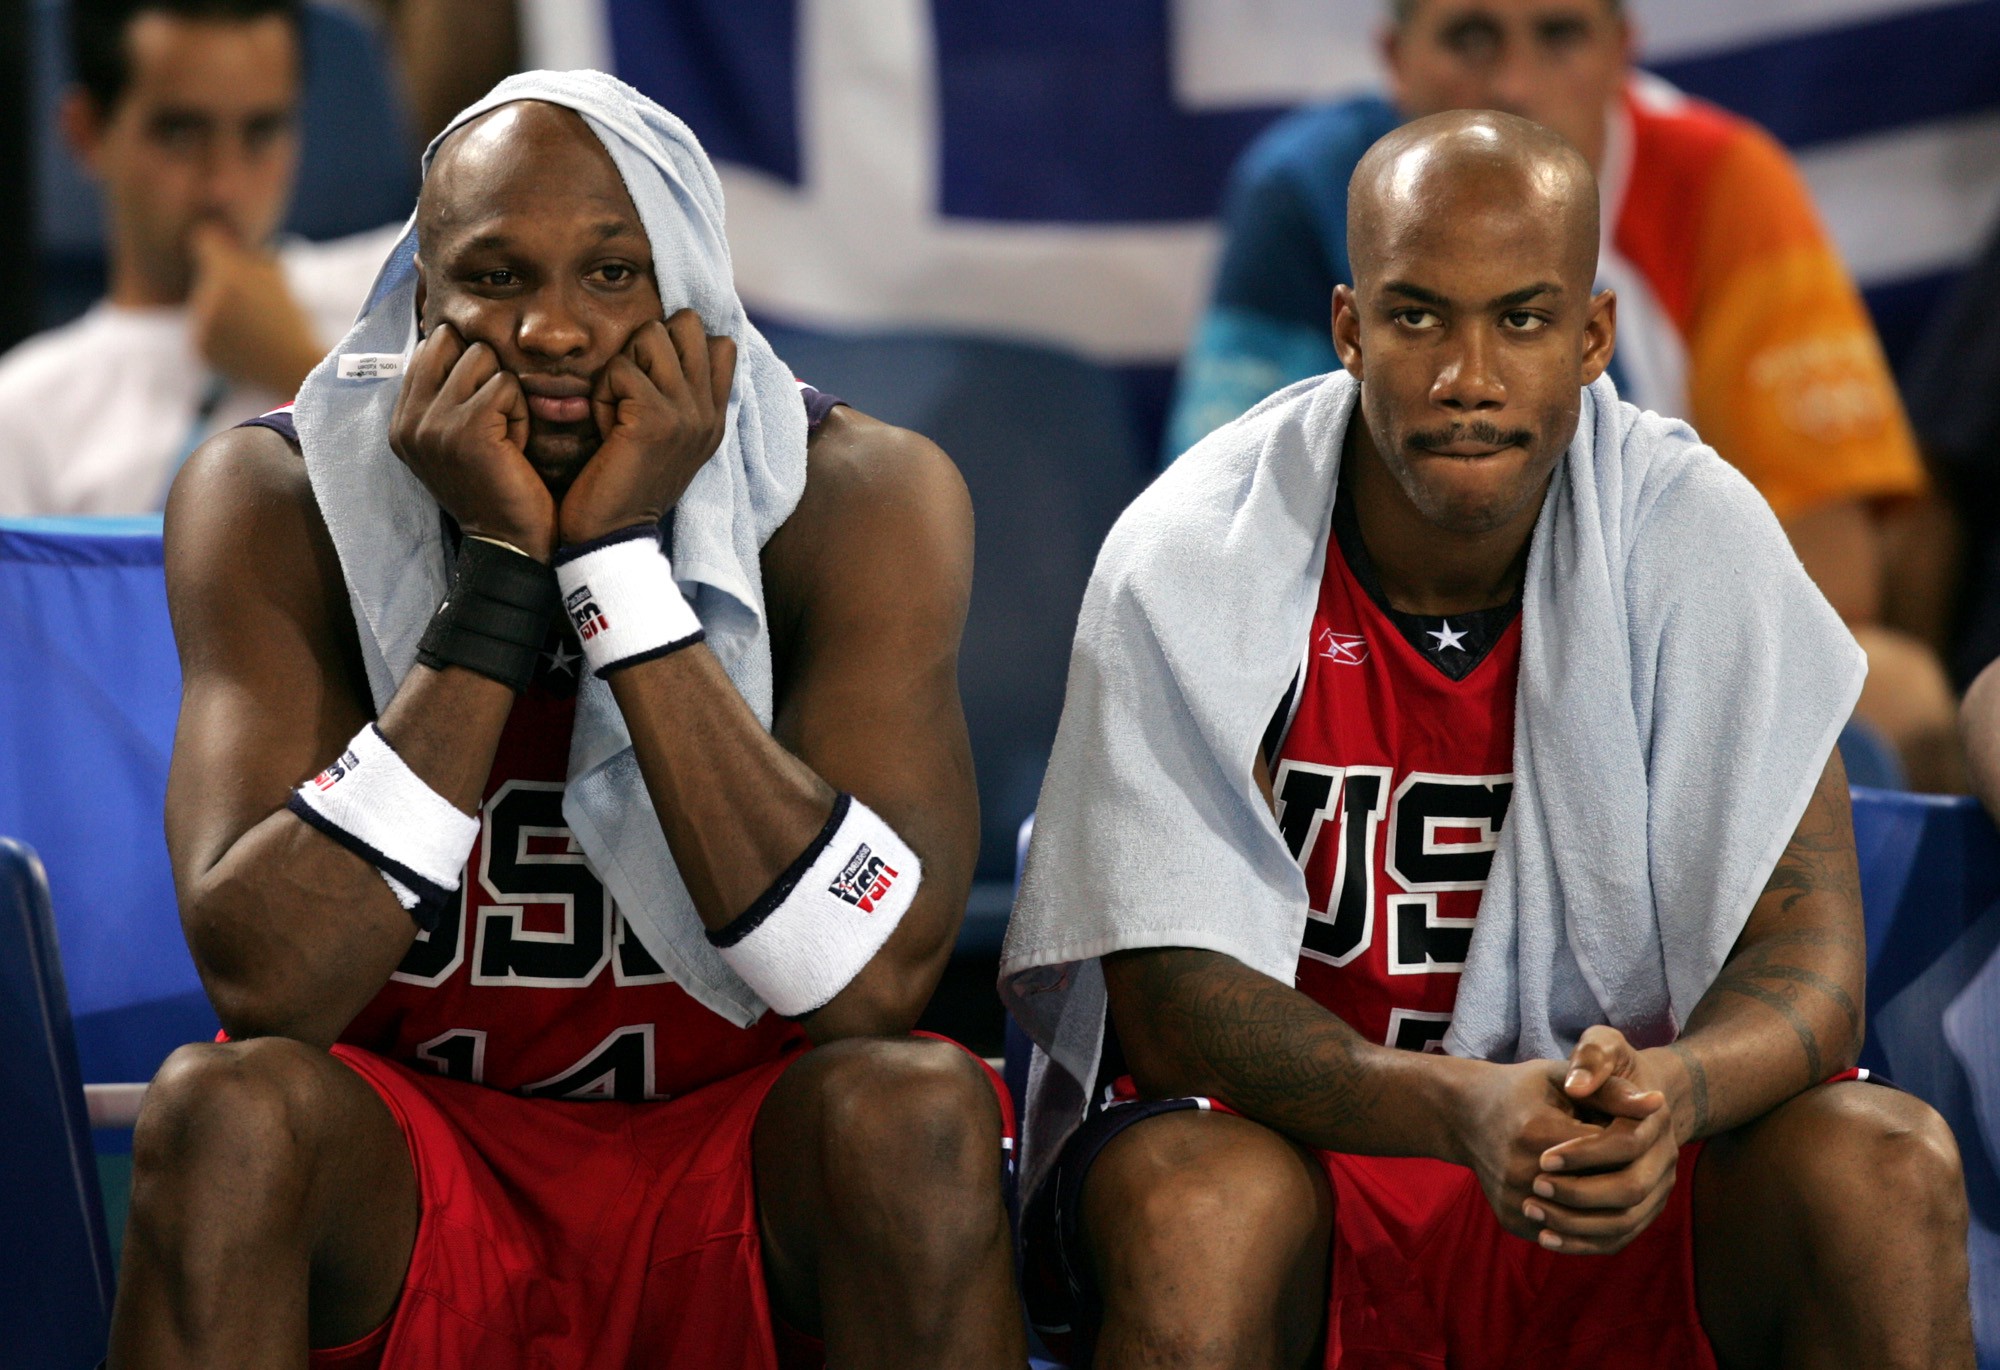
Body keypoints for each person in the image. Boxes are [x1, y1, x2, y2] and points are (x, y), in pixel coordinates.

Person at [1004, 111, 1973, 1369]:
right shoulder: (1191, 551)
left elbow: (1813, 966)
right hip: (1311, 1166)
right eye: (1417, 317)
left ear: (1591, 337)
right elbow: (1172, 1003)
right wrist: (1450, 1104)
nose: (1467, 375)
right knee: (1198, 1202)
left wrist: (1670, 1094)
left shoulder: (1695, 538)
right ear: (1348, 328)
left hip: (1620, 1170)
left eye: (1520, 320)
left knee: (1885, 1163)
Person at [109, 75, 1023, 1368]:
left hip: (729, 1164)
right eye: (495, 277)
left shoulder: (857, 498)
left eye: (613, 274)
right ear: (420, 306)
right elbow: (269, 983)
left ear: (695, 295)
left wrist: (615, 569)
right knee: (223, 1110)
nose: (552, 331)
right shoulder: (276, 497)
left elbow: (873, 981)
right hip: (415, 1173)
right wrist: (499, 579)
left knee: (915, 1111)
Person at [1164, 0, 1956, 788]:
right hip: (1363, 647)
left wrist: (1602, 662)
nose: (1513, 82)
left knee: (1896, 689)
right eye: (1470, 37)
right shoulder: (1304, 191)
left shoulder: (1722, 181)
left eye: (1560, 35)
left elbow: (1832, 579)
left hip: (1654, 645)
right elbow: (1222, 534)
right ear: (1397, 59)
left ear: (1620, 53)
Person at [0, 0, 397, 518]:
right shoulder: (24, 411)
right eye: (180, 134)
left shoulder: (404, 285)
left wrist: (298, 366)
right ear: (87, 132)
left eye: (261, 131)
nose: (223, 187)